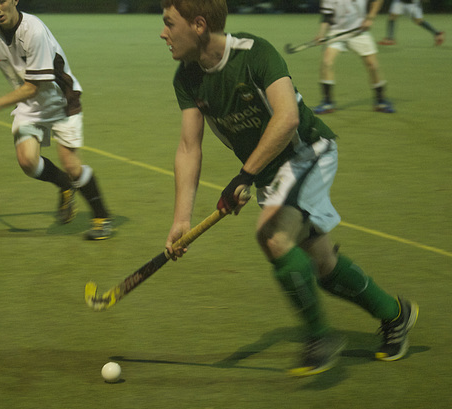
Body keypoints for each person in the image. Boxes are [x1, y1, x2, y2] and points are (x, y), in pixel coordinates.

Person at [159, 0, 418, 376]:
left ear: (198, 25)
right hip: (270, 173)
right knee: (323, 264)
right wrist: (181, 219)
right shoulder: (187, 77)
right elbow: (188, 147)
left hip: (307, 154)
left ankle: (320, 337)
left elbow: (287, 117)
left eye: (169, 23)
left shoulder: (254, 53)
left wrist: (244, 175)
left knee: (273, 237)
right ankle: (396, 314)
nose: (163, 33)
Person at [0, 0, 112, 240]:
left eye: (1, 1)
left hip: (60, 100)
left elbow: (32, 87)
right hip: (28, 102)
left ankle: (102, 218)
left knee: (72, 166)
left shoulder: (33, 31)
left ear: (14, 0)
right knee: (27, 161)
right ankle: (64, 185)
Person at [313, 0, 394, 114]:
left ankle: (381, 100)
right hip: (336, 32)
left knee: (373, 65)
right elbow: (327, 16)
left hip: (359, 32)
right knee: (327, 62)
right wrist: (321, 34)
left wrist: (370, 18)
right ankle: (327, 102)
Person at [379, 0, 445, 46]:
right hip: (400, 1)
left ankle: (437, 33)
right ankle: (390, 38)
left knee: (418, 21)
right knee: (392, 17)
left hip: (412, 4)